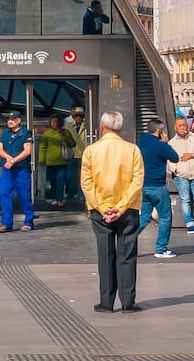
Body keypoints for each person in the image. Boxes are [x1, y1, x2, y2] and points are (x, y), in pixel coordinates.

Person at [81, 111, 145, 313]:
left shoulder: (91, 151)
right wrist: (121, 206)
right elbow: (137, 181)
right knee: (127, 254)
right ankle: (128, 302)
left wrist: (101, 206)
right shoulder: (132, 150)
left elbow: (86, 182)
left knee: (105, 254)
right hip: (127, 210)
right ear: (121, 128)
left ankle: (106, 302)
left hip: (100, 211)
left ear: (101, 126)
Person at [137, 120, 180, 258]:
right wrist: (165, 143)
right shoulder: (160, 145)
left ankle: (126, 241)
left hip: (143, 185)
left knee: (144, 217)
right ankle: (161, 249)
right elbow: (175, 157)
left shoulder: (139, 144)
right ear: (159, 132)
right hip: (157, 186)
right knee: (165, 217)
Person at [169, 117, 194, 234]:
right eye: (180, 126)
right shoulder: (172, 143)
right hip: (181, 175)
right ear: (175, 128)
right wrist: (176, 170)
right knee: (185, 199)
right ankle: (189, 223)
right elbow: (169, 160)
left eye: (184, 125)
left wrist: (192, 155)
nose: (183, 128)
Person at [0, 111, 36, 233]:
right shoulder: (5, 133)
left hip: (21, 169)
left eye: (13, 119)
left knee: (24, 195)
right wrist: (8, 159)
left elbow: (27, 151)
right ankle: (6, 223)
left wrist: (13, 160)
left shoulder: (26, 133)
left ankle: (28, 222)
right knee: (4, 195)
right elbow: (0, 150)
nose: (10, 121)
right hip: (8, 170)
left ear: (19, 120)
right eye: (8, 118)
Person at [38, 116, 74, 207]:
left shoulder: (65, 132)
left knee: (60, 181)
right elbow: (42, 147)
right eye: (52, 122)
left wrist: (66, 140)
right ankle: (54, 198)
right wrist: (41, 159)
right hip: (50, 162)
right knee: (53, 182)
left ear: (60, 123)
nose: (53, 123)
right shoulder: (47, 134)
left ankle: (60, 199)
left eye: (55, 122)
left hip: (62, 162)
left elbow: (73, 143)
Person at [67, 106, 88, 201]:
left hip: (84, 154)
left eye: (81, 116)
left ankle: (81, 194)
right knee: (71, 176)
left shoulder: (87, 126)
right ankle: (70, 193)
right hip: (72, 154)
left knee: (83, 176)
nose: (78, 118)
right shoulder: (69, 126)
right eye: (76, 115)